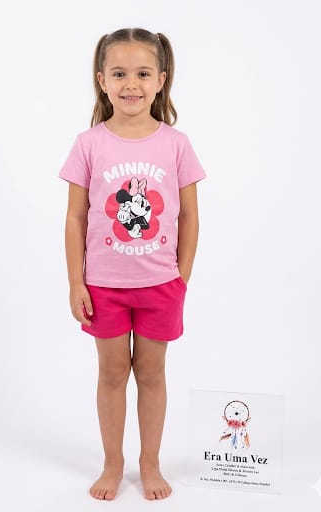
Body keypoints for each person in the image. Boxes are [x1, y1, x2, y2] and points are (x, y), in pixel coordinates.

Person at [59, 27, 206, 501]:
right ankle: (112, 463)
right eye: (119, 73)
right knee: (111, 374)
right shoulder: (88, 144)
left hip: (161, 285)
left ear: (161, 79)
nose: (131, 84)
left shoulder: (176, 144)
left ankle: (150, 463)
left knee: (151, 373)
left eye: (143, 73)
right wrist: (76, 281)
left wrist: (181, 276)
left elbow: (190, 215)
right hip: (103, 285)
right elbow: (75, 217)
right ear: (101, 80)